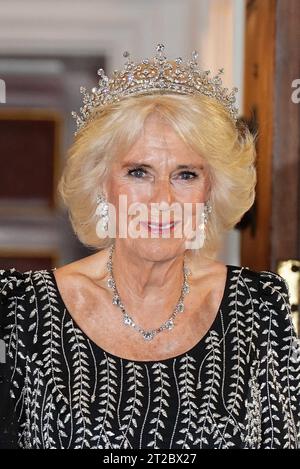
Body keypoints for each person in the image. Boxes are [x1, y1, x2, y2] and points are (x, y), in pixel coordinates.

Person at [0, 44, 299, 449]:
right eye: (139, 172)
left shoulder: (259, 307)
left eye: (185, 175)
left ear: (210, 192)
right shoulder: (22, 309)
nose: (162, 201)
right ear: (102, 182)